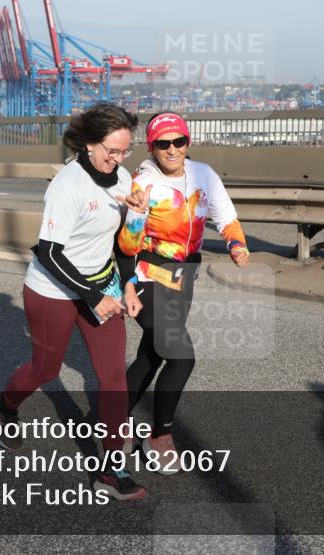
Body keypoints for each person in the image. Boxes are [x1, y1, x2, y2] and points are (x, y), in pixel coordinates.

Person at [0, 101, 147, 501]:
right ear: (90, 143)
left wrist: (128, 284)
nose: (118, 158)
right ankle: (4, 406)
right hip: (52, 291)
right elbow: (49, 253)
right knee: (46, 369)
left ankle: (111, 468)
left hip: (103, 286)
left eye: (125, 150)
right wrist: (92, 296)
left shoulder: (123, 178)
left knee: (113, 378)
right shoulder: (68, 185)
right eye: (112, 150)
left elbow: (122, 243)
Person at [117, 111, 250, 472]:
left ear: (188, 142)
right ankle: (160, 436)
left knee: (153, 354)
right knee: (181, 356)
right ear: (152, 147)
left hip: (185, 275)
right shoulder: (142, 183)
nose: (172, 149)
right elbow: (126, 246)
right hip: (148, 274)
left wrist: (236, 244)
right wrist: (136, 215)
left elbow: (226, 217)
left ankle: (113, 419)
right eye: (163, 143)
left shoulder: (204, 174)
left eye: (179, 141)